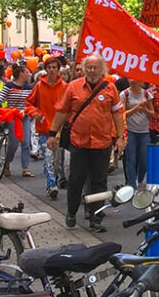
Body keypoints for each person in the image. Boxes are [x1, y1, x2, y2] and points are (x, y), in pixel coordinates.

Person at [47, 53, 125, 232]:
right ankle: (72, 212)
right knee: (76, 179)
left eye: (95, 67)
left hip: (102, 142)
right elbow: (61, 111)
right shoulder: (73, 87)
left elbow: (118, 114)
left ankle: (96, 217)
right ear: (83, 68)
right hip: (79, 142)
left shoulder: (110, 88)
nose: (91, 70)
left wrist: (120, 137)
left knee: (99, 181)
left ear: (102, 69)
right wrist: (52, 133)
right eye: (88, 67)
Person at [25, 56, 67, 198]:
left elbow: (70, 107)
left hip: (60, 129)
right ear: (45, 69)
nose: (52, 70)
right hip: (44, 128)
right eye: (49, 67)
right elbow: (29, 103)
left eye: (54, 67)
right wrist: (34, 113)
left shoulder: (65, 87)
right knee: (48, 158)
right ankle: (51, 184)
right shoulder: (39, 86)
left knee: (58, 159)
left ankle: (58, 178)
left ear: (58, 69)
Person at [0, 62, 34, 178]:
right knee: (14, 143)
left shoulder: (28, 88)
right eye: (27, 72)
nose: (28, 74)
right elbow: (1, 98)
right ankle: (7, 164)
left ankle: (25, 168)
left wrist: (26, 110)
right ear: (21, 73)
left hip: (24, 117)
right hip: (12, 117)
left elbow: (30, 102)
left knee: (26, 143)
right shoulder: (9, 86)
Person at [122, 79, 154, 189]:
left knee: (144, 160)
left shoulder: (146, 94)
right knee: (131, 160)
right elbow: (122, 114)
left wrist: (144, 110)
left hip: (144, 132)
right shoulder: (124, 94)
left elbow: (152, 113)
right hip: (130, 131)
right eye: (130, 79)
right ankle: (132, 185)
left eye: (135, 80)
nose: (133, 81)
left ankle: (140, 180)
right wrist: (136, 108)